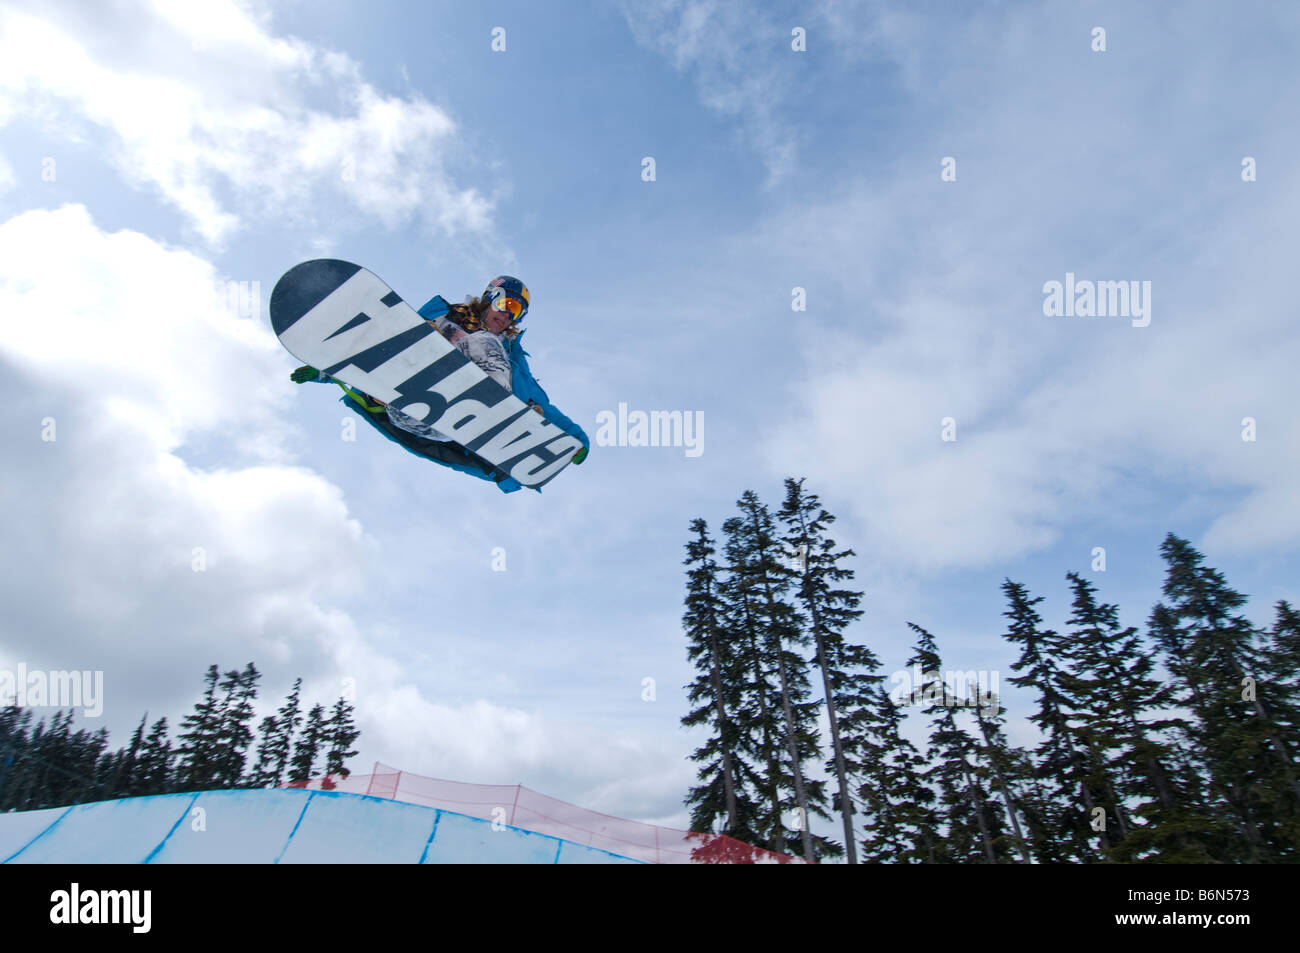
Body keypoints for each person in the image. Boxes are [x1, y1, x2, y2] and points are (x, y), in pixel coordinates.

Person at [291, 275, 588, 491]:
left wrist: (572, 439)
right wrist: (325, 371)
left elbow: (539, 399)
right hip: (409, 408)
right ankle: (437, 398)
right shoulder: (440, 317)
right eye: (507, 303)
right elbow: (384, 351)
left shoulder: (509, 353)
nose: (510, 314)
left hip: (450, 424)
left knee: (486, 342)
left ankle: (488, 410)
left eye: (518, 311)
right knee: (457, 343)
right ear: (490, 296)